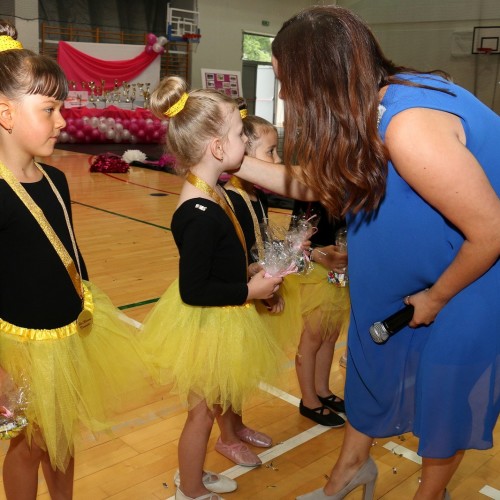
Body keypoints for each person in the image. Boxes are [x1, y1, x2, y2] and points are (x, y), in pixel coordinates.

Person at [235, 5, 500, 500]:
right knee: (370, 365)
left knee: (445, 394)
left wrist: (437, 298)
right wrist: (236, 161)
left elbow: (489, 232)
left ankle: (430, 495)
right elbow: (318, 182)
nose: (287, 93)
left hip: (470, 277)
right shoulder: (368, 110)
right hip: (421, 272)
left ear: (319, 77)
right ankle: (350, 472)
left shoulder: (409, 124)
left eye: (287, 79)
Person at [0, 21, 150, 499]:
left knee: (61, 439)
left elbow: (71, 257)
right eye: (49, 109)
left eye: (61, 108)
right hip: (21, 349)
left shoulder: (57, 180)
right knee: (27, 444)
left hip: (69, 335)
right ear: (4, 113)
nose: (63, 120)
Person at [143, 77, 284, 500]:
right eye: (241, 134)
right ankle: (191, 490)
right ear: (218, 149)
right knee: (201, 415)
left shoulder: (212, 193)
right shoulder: (199, 211)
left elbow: (222, 258)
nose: (246, 137)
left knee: (209, 407)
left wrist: (249, 270)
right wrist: (250, 293)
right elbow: (194, 289)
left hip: (219, 315)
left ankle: (194, 475)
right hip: (206, 322)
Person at [213, 112, 303, 467]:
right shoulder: (229, 198)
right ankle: (226, 437)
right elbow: (230, 262)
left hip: (251, 293)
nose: (278, 161)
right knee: (224, 377)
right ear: (244, 154)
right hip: (231, 301)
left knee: (240, 373)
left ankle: (236, 423)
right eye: (271, 153)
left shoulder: (255, 197)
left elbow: (259, 248)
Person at [290, 201, 350, 428]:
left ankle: (322, 390)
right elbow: (295, 239)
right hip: (316, 273)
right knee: (313, 336)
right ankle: (309, 399)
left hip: (341, 271)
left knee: (330, 334)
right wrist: (319, 253)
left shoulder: (349, 189)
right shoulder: (311, 192)